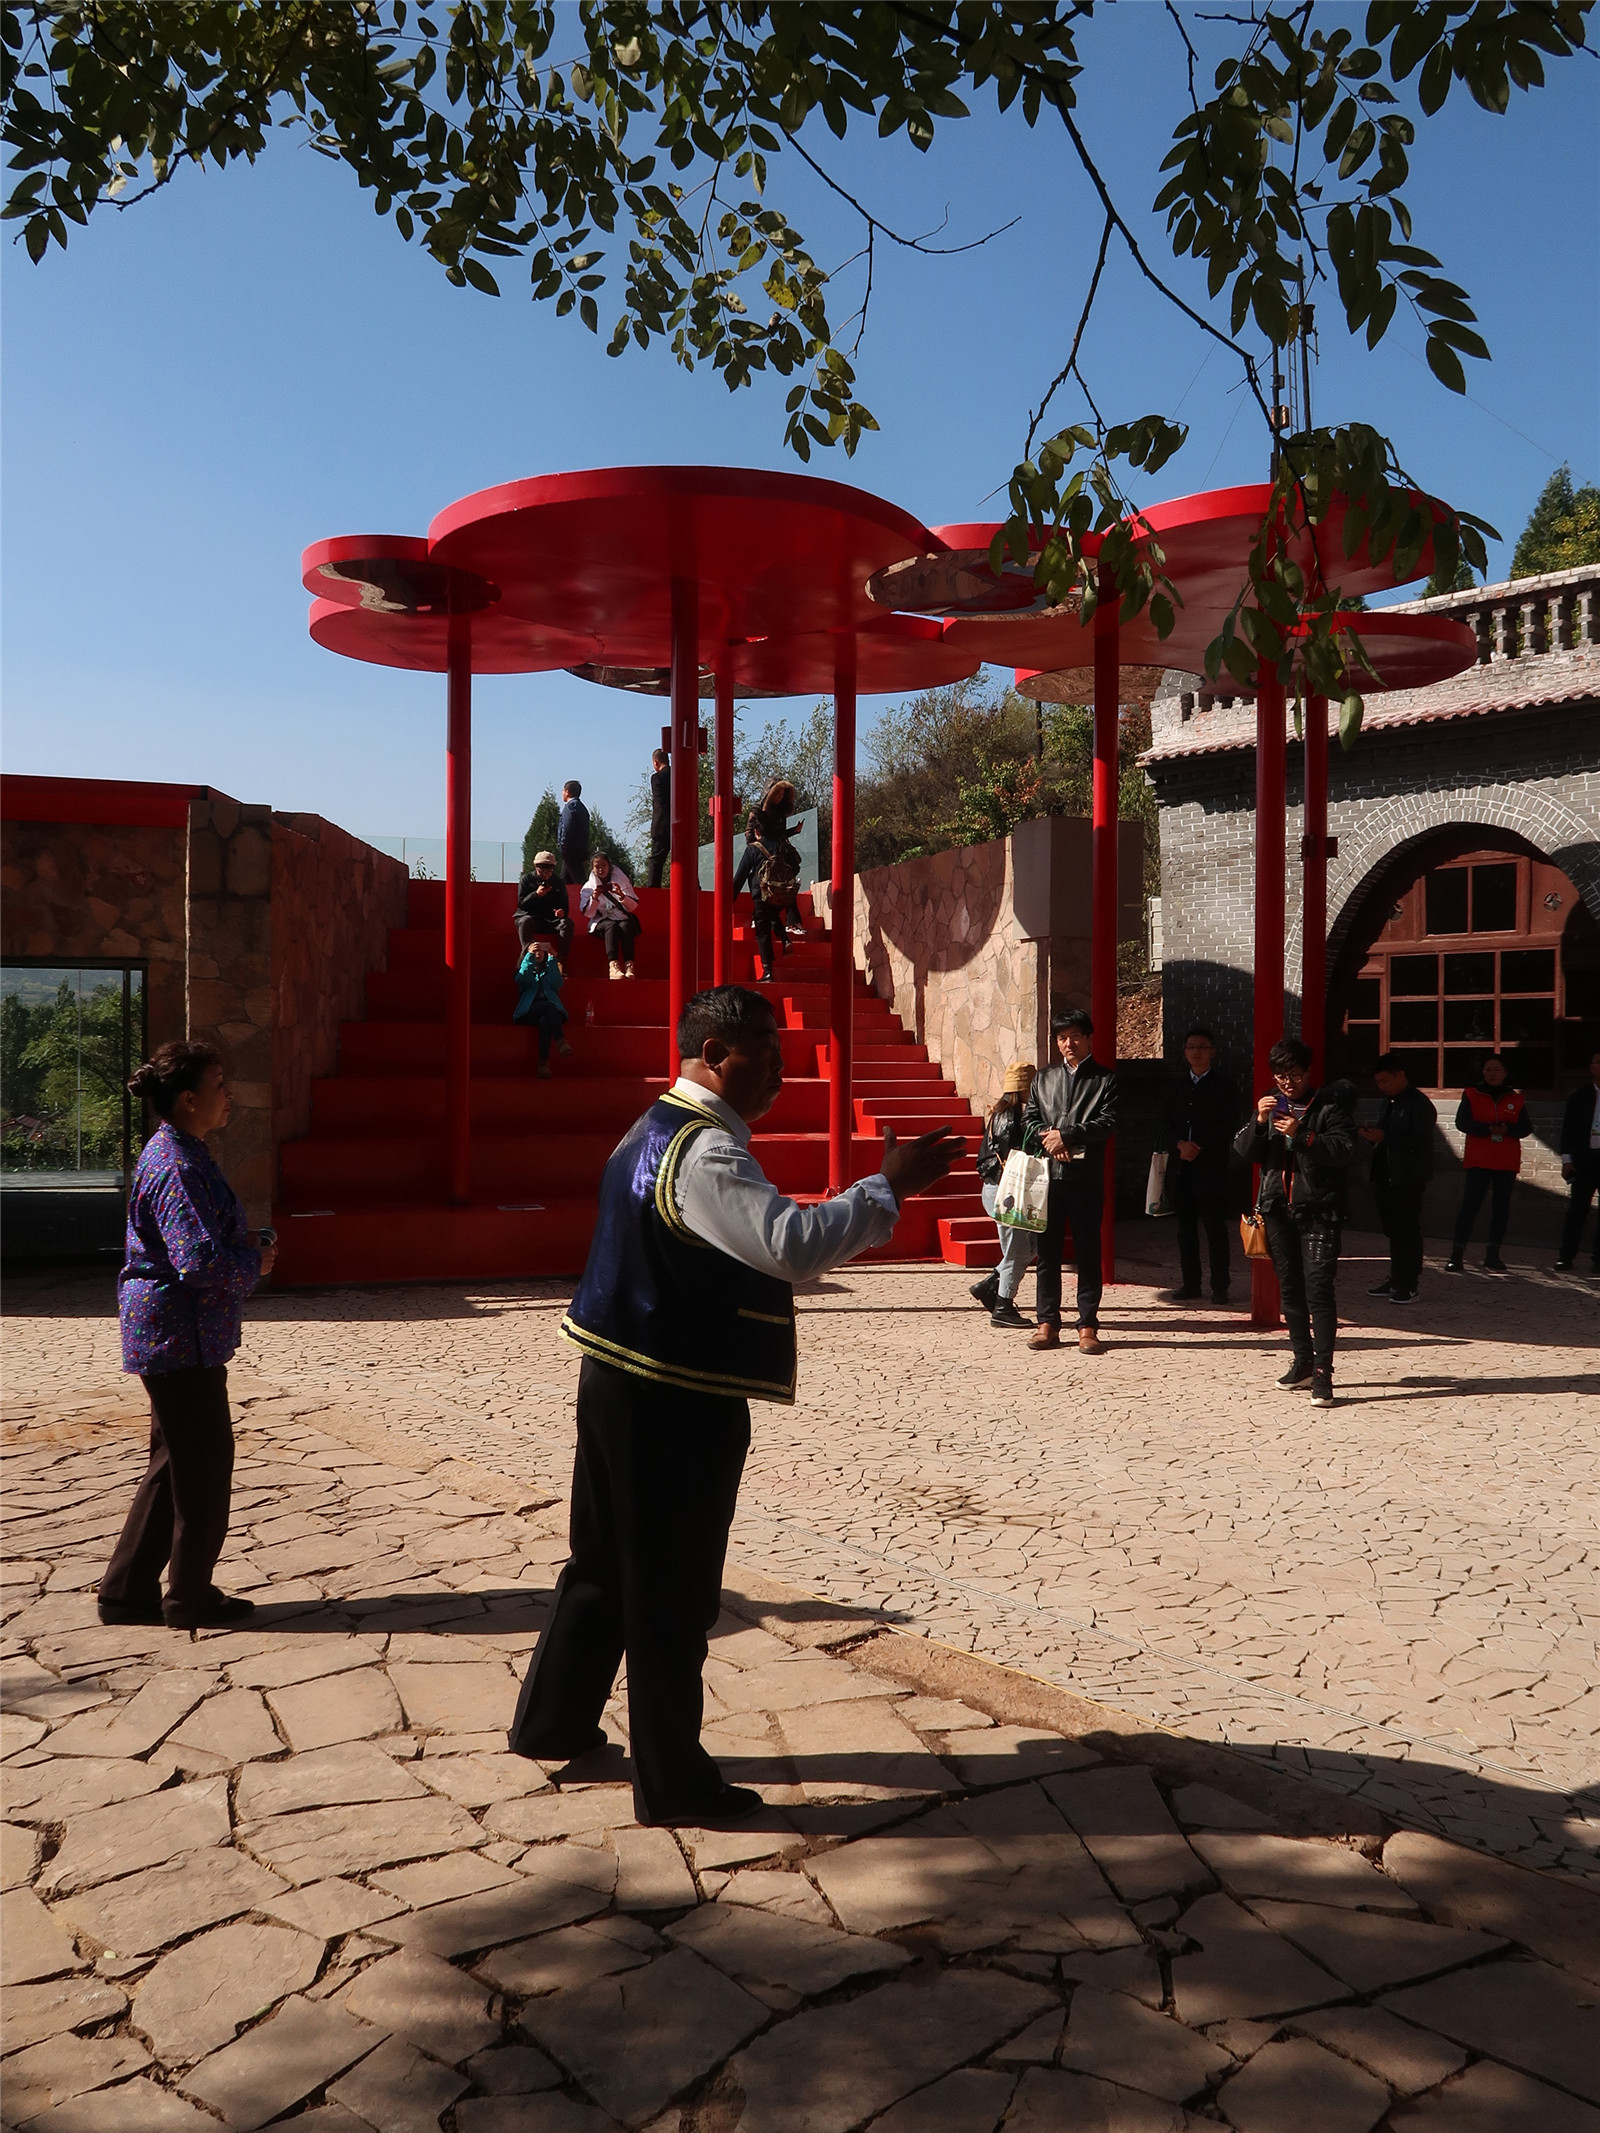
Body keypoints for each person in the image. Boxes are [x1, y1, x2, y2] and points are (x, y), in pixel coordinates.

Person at [507, 984, 961, 1825]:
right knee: (672, 1593)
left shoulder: (648, 1130)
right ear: (714, 1053)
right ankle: (673, 1782)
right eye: (766, 1049)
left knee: (604, 1564)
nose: (781, 1070)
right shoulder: (708, 1152)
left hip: (617, 1378)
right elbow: (789, 1246)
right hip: (674, 1397)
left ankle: (553, 1719)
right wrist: (885, 1187)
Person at [98, 1043, 274, 1631]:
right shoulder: (176, 1164)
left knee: (174, 1462)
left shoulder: (181, 1154)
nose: (229, 1095)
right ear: (189, 1098)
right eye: (220, 1083)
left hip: (176, 1336)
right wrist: (254, 1265)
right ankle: (189, 1596)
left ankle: (126, 1591)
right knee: (201, 1466)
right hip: (181, 1337)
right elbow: (196, 1260)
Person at [1234, 1036, 1357, 1408]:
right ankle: (1302, 1361)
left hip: (1318, 1210)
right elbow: (1244, 1152)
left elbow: (1343, 1151)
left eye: (1294, 1075)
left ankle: (1323, 1373)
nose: (1287, 1082)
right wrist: (1258, 1121)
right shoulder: (1272, 1106)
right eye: (1281, 1075)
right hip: (1277, 1209)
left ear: (1307, 1072)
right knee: (1290, 1289)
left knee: (1319, 1290)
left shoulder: (1330, 1107)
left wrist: (1301, 1135)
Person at [1022, 1009, 1117, 1354]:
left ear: (1089, 1038)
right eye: (1062, 1038)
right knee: (1047, 1255)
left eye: (1075, 1036)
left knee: (1088, 1254)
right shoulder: (1042, 1079)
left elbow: (1109, 1121)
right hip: (1047, 1181)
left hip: (1085, 1179)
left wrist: (1069, 1136)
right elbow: (1029, 1120)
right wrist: (1050, 1138)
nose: (1069, 1043)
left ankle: (1088, 1325)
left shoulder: (1105, 1080)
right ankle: (1047, 1322)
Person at [1154, 1026, 1242, 1304]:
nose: (1196, 1052)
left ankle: (1220, 1286)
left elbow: (1229, 1125)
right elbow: (1162, 1125)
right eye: (1191, 1047)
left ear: (1212, 1052)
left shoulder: (1224, 1086)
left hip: (1211, 1168)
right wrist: (1179, 1144)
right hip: (1181, 1169)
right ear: (1185, 1052)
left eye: (1201, 1047)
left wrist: (1199, 1147)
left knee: (1215, 1228)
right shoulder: (1175, 1087)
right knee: (1185, 1229)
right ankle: (1190, 1283)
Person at [1359, 1052, 1437, 1303]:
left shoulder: (1419, 1104)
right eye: (1378, 1082)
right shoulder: (1389, 1102)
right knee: (1392, 1229)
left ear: (1400, 1075)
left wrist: (1386, 1138)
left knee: (1407, 1229)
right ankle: (1396, 1278)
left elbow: (1421, 1141)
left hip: (1409, 1176)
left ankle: (1409, 1282)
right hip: (1386, 1174)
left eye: (1385, 1081)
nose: (1382, 1086)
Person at [1447, 1053, 1530, 1273]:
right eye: (1488, 1069)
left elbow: (1525, 1128)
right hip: (1479, 1160)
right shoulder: (1472, 1094)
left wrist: (1507, 1130)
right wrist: (1486, 1129)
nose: (1492, 1074)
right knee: (1469, 1207)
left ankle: (1493, 1255)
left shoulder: (1516, 1098)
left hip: (1506, 1161)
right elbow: (1462, 1122)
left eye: (1497, 1069)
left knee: (1500, 1209)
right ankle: (1456, 1255)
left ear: (1505, 1073)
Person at [973, 1062, 1037, 1328]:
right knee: (1017, 1251)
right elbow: (1014, 1155)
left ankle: (989, 1286)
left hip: (997, 1190)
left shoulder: (1000, 1113)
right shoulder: (1011, 1118)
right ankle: (1003, 1307)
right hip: (1007, 1192)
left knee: (1027, 1248)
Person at [732, 779, 801, 982]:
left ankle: (768, 970)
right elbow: (793, 864)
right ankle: (785, 937)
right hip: (779, 890)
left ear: (757, 830)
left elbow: (741, 874)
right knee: (773, 917)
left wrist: (729, 900)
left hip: (760, 889)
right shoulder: (780, 847)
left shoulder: (753, 848)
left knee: (762, 929)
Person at [1555, 1049, 1600, 1271]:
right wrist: (1566, 1159)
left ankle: (1598, 1260)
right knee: (1577, 1209)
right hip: (1584, 1160)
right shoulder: (1580, 1096)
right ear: (1591, 1066)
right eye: (1599, 1062)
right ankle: (1566, 1256)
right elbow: (1567, 1130)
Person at [514, 941, 573, 1078]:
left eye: (541, 951)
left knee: (545, 1021)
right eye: (535, 951)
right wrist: (529, 956)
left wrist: (553, 959)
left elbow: (557, 983)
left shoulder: (548, 971)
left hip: (550, 1012)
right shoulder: (525, 970)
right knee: (548, 1007)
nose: (538, 953)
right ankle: (561, 1041)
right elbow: (522, 979)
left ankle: (543, 1064)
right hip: (529, 1010)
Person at [580, 853, 642, 978]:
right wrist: (594, 898)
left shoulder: (621, 881)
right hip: (600, 921)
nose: (601, 869)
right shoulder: (587, 888)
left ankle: (629, 966)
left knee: (625, 925)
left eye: (604, 865)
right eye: (597, 867)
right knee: (611, 926)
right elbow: (588, 914)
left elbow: (633, 906)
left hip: (620, 917)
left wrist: (622, 896)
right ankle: (613, 966)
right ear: (592, 868)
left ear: (609, 866)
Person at [515, 849, 573, 964]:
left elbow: (564, 907)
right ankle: (527, 957)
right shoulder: (526, 880)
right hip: (529, 917)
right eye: (542, 869)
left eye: (550, 869)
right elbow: (522, 904)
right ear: (536, 867)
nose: (546, 873)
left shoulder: (558, 882)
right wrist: (536, 895)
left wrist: (561, 912)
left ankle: (560, 961)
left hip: (549, 920)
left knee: (567, 923)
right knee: (526, 921)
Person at [557, 781, 591, 884]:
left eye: (563, 790)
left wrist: (563, 846)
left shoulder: (570, 806)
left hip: (571, 850)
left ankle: (590, 897)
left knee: (579, 880)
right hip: (580, 849)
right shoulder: (582, 808)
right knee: (566, 880)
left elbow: (567, 827)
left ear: (567, 792)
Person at [647, 748, 671, 889]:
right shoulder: (679, 775)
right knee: (685, 859)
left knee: (656, 859)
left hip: (662, 824)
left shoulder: (657, 778)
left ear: (656, 762)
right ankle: (694, 886)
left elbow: (660, 802)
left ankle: (653, 889)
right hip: (680, 824)